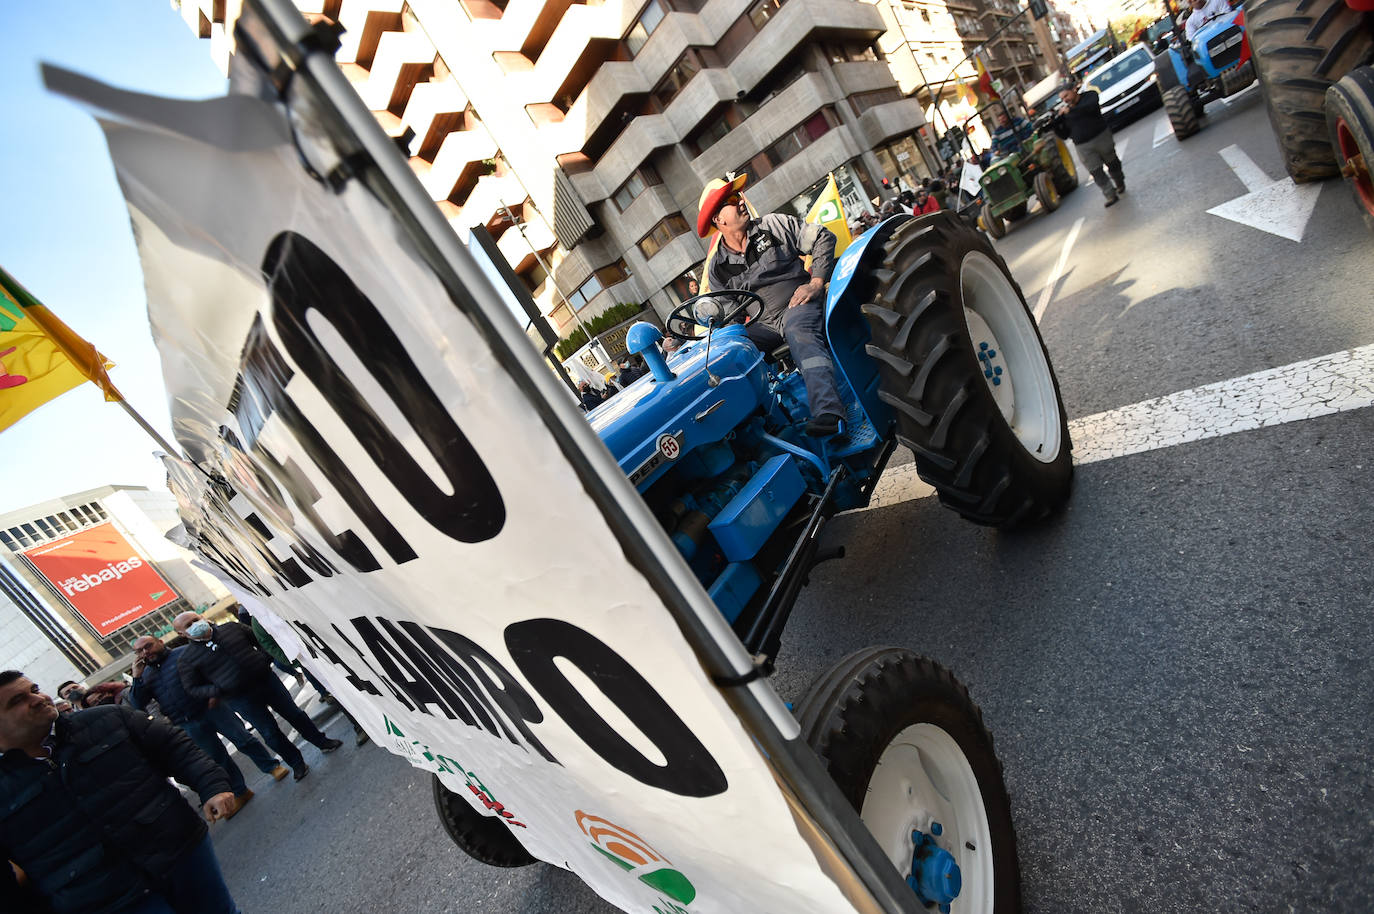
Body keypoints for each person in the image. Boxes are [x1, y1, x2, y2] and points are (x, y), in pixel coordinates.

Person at [0, 670, 241, 914]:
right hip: (106, 899)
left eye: (34, 689)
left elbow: (175, 748)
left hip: (181, 852)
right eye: (17, 701)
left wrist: (212, 787)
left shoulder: (107, 718)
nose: (39, 698)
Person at [697, 174, 844, 437]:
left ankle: (829, 413)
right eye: (731, 200)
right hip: (763, 326)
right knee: (730, 357)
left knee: (798, 328)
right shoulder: (717, 267)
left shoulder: (774, 225)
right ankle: (767, 430)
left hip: (798, 305)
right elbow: (729, 317)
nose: (741, 202)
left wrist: (815, 282)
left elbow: (822, 237)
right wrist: (730, 341)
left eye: (738, 196)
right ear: (718, 220)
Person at [130, 634, 291, 810]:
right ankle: (240, 791)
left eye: (148, 646)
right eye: (140, 651)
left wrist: (214, 693)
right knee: (217, 758)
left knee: (244, 740)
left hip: (213, 709)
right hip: (187, 721)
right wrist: (137, 678)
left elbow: (213, 673)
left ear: (160, 642)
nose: (146, 652)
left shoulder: (183, 654)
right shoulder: (145, 675)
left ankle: (271, 767)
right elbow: (138, 703)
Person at [175, 612, 342, 782]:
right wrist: (218, 689)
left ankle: (322, 742)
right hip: (240, 698)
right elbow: (192, 688)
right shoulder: (186, 659)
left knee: (295, 715)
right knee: (270, 732)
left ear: (202, 617)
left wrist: (263, 659)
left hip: (267, 681)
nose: (195, 625)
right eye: (188, 625)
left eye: (195, 620)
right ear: (182, 634)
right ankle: (296, 763)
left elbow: (260, 641)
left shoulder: (231, 628)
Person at [1053, 85, 1126, 206]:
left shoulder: (1090, 96)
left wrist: (1071, 111)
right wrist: (1055, 126)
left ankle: (1119, 182)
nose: (1065, 100)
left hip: (1101, 137)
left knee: (1113, 163)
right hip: (1083, 146)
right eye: (1062, 98)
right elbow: (1065, 135)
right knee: (1096, 171)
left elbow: (1089, 109)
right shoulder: (1066, 112)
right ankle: (1110, 194)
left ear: (1074, 90)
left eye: (1066, 95)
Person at [57, 679, 127, 709]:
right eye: (68, 692)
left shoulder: (99, 690)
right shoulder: (74, 713)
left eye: (75, 687)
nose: (73, 691)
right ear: (65, 698)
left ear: (82, 687)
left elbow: (121, 686)